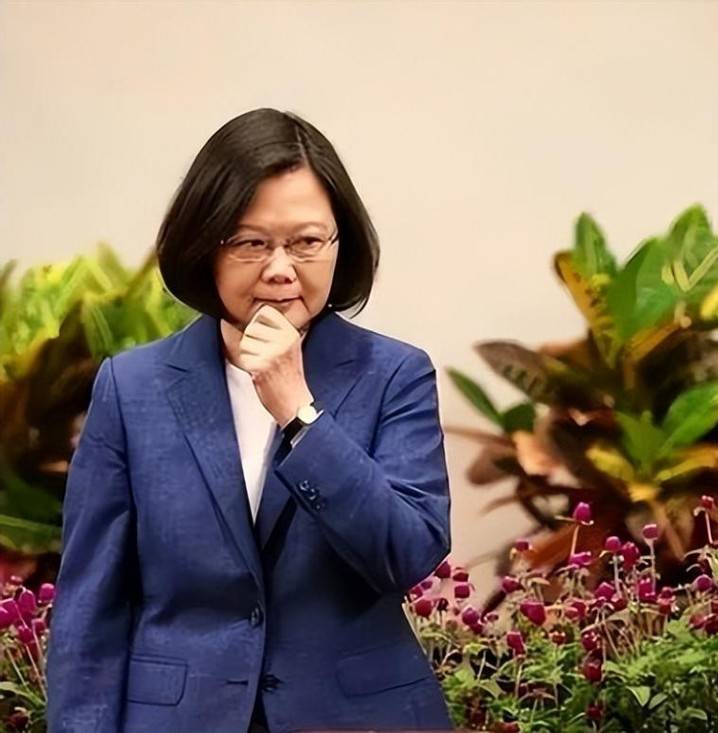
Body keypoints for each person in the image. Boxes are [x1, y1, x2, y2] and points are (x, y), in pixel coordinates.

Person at [47, 108, 454, 732]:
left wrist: (301, 415)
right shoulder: (132, 389)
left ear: (339, 244)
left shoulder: (395, 374)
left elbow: (408, 551)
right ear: (205, 248)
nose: (280, 268)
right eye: (250, 243)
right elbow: (90, 608)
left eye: (307, 242)